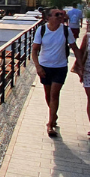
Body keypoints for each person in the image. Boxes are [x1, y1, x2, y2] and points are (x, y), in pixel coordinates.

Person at [32, 7, 83, 137]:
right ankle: (53, 114)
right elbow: (34, 50)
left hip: (60, 67)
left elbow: (74, 48)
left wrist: (81, 64)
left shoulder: (66, 31)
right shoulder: (41, 30)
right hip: (45, 66)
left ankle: (50, 124)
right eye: (57, 15)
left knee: (55, 94)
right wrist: (38, 67)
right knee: (48, 94)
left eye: (61, 15)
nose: (61, 17)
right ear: (48, 18)